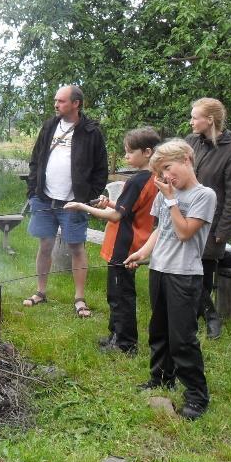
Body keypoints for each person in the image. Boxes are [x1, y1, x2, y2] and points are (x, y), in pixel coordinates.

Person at [125, 139, 217, 420]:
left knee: (182, 338)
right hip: (160, 270)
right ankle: (161, 378)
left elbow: (185, 232)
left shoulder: (204, 195)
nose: (166, 177)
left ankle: (196, 395)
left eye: (168, 168)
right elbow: (160, 231)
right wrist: (141, 253)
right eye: (161, 172)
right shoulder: (166, 193)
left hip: (184, 274)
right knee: (159, 330)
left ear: (187, 159)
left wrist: (172, 200)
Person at [65, 127, 159, 355]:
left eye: (130, 152)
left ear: (147, 152)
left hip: (124, 245)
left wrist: (81, 206)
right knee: (116, 292)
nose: (126, 156)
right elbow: (128, 210)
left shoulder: (138, 181)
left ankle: (125, 344)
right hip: (134, 242)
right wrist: (108, 203)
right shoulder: (154, 178)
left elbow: (117, 216)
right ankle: (115, 335)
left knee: (120, 296)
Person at [23, 84, 108, 317]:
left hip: (74, 202)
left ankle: (79, 298)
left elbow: (101, 169)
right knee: (45, 246)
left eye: (60, 101)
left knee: (76, 247)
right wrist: (33, 191)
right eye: (56, 100)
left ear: (75, 104)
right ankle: (40, 292)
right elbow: (35, 159)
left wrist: (88, 197)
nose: (56, 104)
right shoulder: (50, 125)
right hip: (44, 198)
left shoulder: (91, 132)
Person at [186, 98, 231, 339]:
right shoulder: (190, 143)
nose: (190, 121)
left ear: (209, 120)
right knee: (186, 272)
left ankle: (209, 319)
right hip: (186, 217)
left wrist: (224, 229)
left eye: (194, 117)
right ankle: (203, 315)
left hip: (213, 223)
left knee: (204, 274)